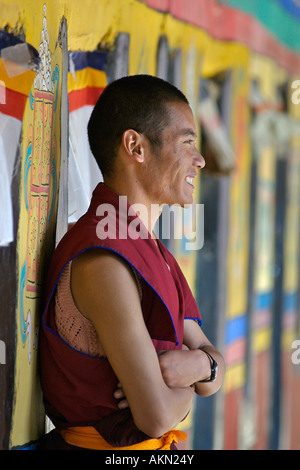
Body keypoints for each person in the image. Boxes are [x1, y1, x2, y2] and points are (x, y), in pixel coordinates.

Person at [38, 74, 225, 450]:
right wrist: (189, 388)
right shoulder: (103, 259)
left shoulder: (154, 253)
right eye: (187, 141)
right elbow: (155, 416)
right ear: (135, 146)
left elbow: (212, 365)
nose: (200, 159)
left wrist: (199, 366)